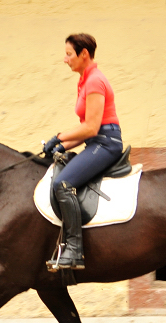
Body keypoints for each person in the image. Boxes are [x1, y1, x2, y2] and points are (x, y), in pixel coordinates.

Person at [43, 33, 123, 271]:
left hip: (106, 143)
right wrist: (60, 147)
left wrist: (58, 137)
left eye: (69, 54)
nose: (65, 59)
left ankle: (74, 250)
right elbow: (86, 132)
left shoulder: (95, 81)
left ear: (84, 54)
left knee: (63, 184)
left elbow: (91, 127)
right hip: (95, 142)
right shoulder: (84, 80)